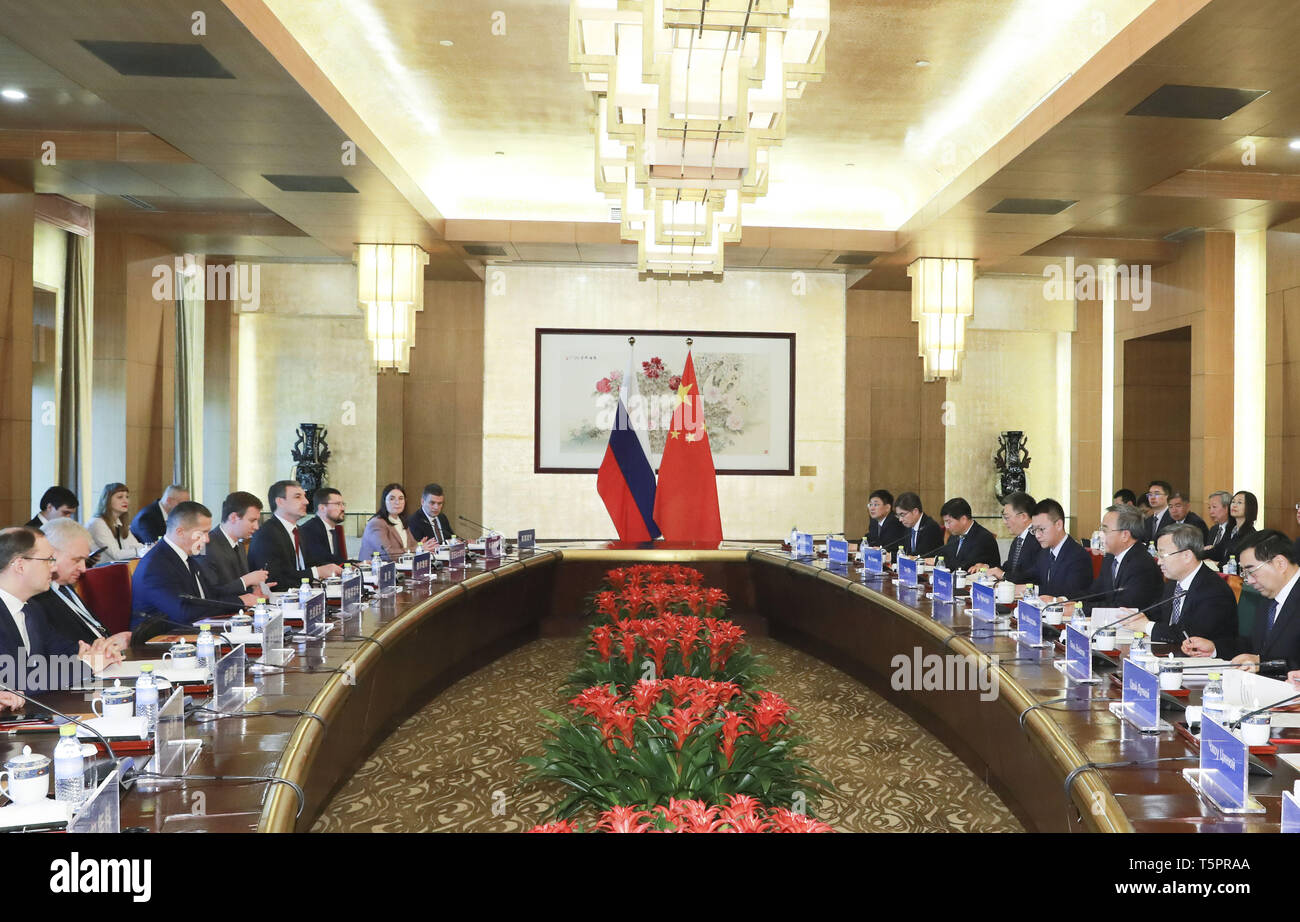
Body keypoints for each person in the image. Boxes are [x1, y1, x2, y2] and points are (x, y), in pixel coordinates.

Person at [0, 527, 121, 691]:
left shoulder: (32, 609)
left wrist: (98, 651)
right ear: (20, 566)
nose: (54, 568)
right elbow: (15, 682)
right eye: (48, 560)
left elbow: (62, 651)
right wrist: (86, 664)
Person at [1184, 530, 1300, 672]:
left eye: (1251, 571)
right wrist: (1214, 648)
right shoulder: (1269, 596)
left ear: (1280, 563)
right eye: (1245, 573)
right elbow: (1254, 646)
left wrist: (1261, 663)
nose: (1249, 581)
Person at [130, 501, 246, 630]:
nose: (207, 539)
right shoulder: (155, 566)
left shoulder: (187, 557)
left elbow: (209, 596)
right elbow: (184, 611)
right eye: (202, 532)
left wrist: (243, 600)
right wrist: (239, 603)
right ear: (180, 532)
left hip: (192, 630)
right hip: (160, 640)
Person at [1125, 523, 1235, 651]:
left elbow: (1190, 636)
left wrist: (1147, 626)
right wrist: (1135, 617)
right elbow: (1156, 614)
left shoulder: (1214, 590)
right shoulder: (1173, 584)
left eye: (1162, 555)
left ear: (1186, 555)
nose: (1159, 562)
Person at [29, 519, 132, 651]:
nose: (83, 569)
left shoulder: (65, 586)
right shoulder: (38, 598)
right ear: (51, 555)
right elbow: (58, 651)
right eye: (76, 560)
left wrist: (114, 643)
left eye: (85, 560)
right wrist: (107, 649)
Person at [248, 481, 345, 588]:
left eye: (305, 497)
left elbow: (311, 563)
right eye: (298, 497)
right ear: (280, 502)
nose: (306, 502)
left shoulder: (299, 531)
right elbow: (274, 579)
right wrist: (317, 572)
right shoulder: (266, 534)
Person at [1080, 505, 1164, 613]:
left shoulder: (1142, 565)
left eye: (1105, 530)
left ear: (1125, 535)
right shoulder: (1110, 557)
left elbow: (1123, 608)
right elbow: (1096, 592)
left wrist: (1081, 609)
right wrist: (1065, 602)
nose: (1100, 535)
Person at [195, 492, 270, 603]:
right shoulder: (206, 546)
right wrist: (246, 580)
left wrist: (254, 590)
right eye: (252, 520)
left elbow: (236, 588)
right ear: (233, 517)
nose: (256, 527)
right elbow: (210, 594)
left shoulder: (239, 544)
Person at [1030, 498, 1093, 600]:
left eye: (1041, 529)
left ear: (1059, 525)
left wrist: (1035, 589)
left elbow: (1069, 593)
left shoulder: (1078, 556)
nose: (1037, 535)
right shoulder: (1044, 552)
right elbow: (1032, 575)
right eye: (1034, 530)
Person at [974, 491, 1040, 583]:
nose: (1004, 522)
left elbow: (1033, 575)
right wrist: (988, 568)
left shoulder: (1038, 539)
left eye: (1007, 517)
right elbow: (1009, 569)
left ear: (1023, 517)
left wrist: (1003, 575)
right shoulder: (1018, 540)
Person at [360, 484, 436, 560]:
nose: (397, 502)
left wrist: (421, 546)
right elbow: (388, 554)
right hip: (375, 569)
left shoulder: (401, 521)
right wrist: (418, 549)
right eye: (392, 499)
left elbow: (412, 545)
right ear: (384, 501)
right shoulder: (376, 524)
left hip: (400, 568)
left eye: (401, 498)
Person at [931, 497, 1000, 570]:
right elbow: (944, 556)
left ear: (963, 519)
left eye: (949, 522)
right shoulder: (954, 536)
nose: (946, 526)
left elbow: (963, 566)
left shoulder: (983, 538)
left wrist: (936, 561)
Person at [86, 482, 143, 562]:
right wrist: (142, 551)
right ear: (107, 500)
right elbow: (116, 554)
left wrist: (149, 548)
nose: (126, 501)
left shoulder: (119, 523)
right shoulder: (98, 523)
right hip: (98, 571)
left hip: (116, 569)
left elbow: (135, 545)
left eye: (127, 497)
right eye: (120, 497)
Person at [300, 487, 350, 567]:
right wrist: (352, 564)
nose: (343, 508)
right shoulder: (309, 530)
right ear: (322, 508)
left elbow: (337, 559)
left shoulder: (333, 530)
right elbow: (324, 560)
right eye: (338, 504)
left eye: (343, 504)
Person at [894, 492, 942, 557]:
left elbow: (922, 555)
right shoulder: (908, 527)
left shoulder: (930, 527)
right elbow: (904, 551)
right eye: (898, 515)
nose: (900, 519)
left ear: (915, 511)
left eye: (902, 515)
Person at [1220, 490, 1259, 564]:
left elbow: (1238, 561)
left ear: (1249, 507)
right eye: (1233, 502)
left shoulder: (1251, 536)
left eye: (1239, 502)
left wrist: (1218, 564)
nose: (1234, 505)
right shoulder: (1230, 530)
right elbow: (1218, 551)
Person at [1203, 491, 1234, 563]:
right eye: (1209, 507)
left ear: (1226, 508)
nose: (1211, 511)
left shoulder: (1234, 530)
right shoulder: (1214, 529)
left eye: (1214, 507)